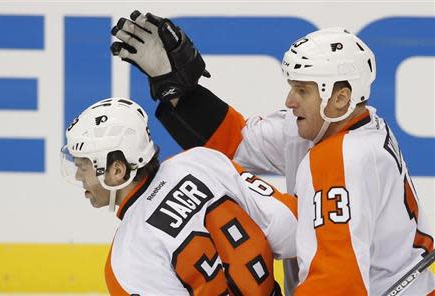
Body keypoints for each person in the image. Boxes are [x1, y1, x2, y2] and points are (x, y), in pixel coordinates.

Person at [111, 11, 435, 295]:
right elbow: (237, 144)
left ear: (340, 98)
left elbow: (338, 284)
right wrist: (179, 91)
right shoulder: (328, 127)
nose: (290, 100)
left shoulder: (342, 159)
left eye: (303, 90)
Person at [60, 97, 298, 295]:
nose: (79, 177)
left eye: (83, 166)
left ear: (117, 170)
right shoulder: (203, 160)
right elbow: (290, 227)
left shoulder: (126, 258)